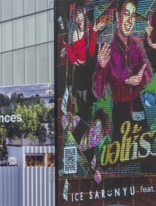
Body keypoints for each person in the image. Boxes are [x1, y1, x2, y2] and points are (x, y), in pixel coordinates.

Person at [93, 0, 153, 141]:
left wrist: (141, 78)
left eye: (132, 15)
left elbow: (148, 69)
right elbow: (98, 92)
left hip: (138, 106)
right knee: (122, 154)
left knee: (143, 150)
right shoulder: (107, 47)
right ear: (117, 16)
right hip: (120, 110)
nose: (129, 20)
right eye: (126, 14)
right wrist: (101, 68)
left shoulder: (138, 43)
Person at [63, 0, 104, 141]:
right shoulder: (75, 33)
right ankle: (75, 136)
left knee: (87, 110)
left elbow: (92, 52)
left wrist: (93, 32)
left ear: (85, 13)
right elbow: (74, 57)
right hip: (79, 74)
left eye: (80, 15)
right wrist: (73, 56)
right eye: (77, 16)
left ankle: (76, 135)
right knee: (84, 109)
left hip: (88, 73)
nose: (79, 19)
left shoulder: (89, 29)